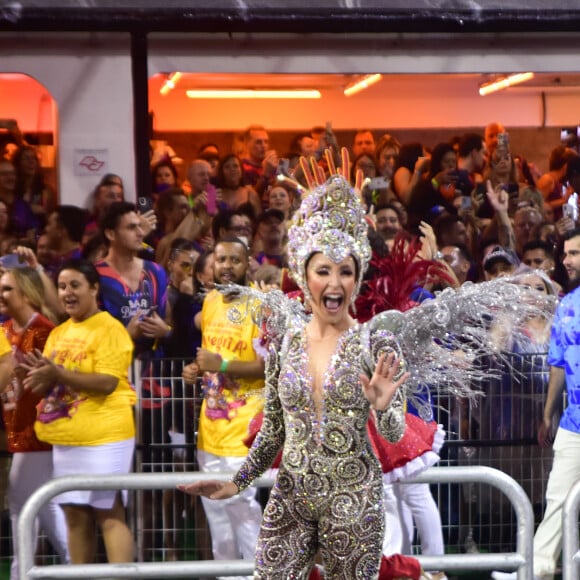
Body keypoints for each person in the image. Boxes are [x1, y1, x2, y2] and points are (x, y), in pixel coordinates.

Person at [179, 165, 409, 578]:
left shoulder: (378, 343)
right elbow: (274, 431)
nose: (334, 282)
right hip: (292, 496)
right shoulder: (287, 343)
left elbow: (393, 434)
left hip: (353, 498)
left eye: (345, 271)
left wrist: (384, 407)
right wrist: (238, 482)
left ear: (357, 280)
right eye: (323, 271)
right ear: (305, 277)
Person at [22, 258, 136, 565]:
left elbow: (107, 382)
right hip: (68, 438)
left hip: (105, 437)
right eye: (61, 286)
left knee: (108, 512)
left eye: (75, 285)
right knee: (73, 512)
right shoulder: (59, 333)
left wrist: (57, 375)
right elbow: (53, 378)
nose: (67, 292)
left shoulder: (111, 329)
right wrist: (40, 379)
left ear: (94, 289)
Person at [181, 236, 265, 579]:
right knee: (217, 517)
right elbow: (210, 358)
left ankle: (261, 574)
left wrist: (222, 365)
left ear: (247, 266)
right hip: (211, 427)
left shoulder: (260, 305)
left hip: (244, 430)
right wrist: (196, 368)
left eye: (235, 260)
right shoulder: (211, 302)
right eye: (221, 260)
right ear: (211, 265)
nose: (227, 267)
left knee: (243, 509)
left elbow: (266, 367)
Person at [0, 267, 68, 580]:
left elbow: (57, 385)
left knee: (24, 503)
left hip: (38, 431)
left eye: (7, 289)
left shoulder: (43, 331)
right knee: (38, 503)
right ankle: (75, 566)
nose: (1, 295)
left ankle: (23, 573)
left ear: (26, 293)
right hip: (18, 427)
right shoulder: (6, 330)